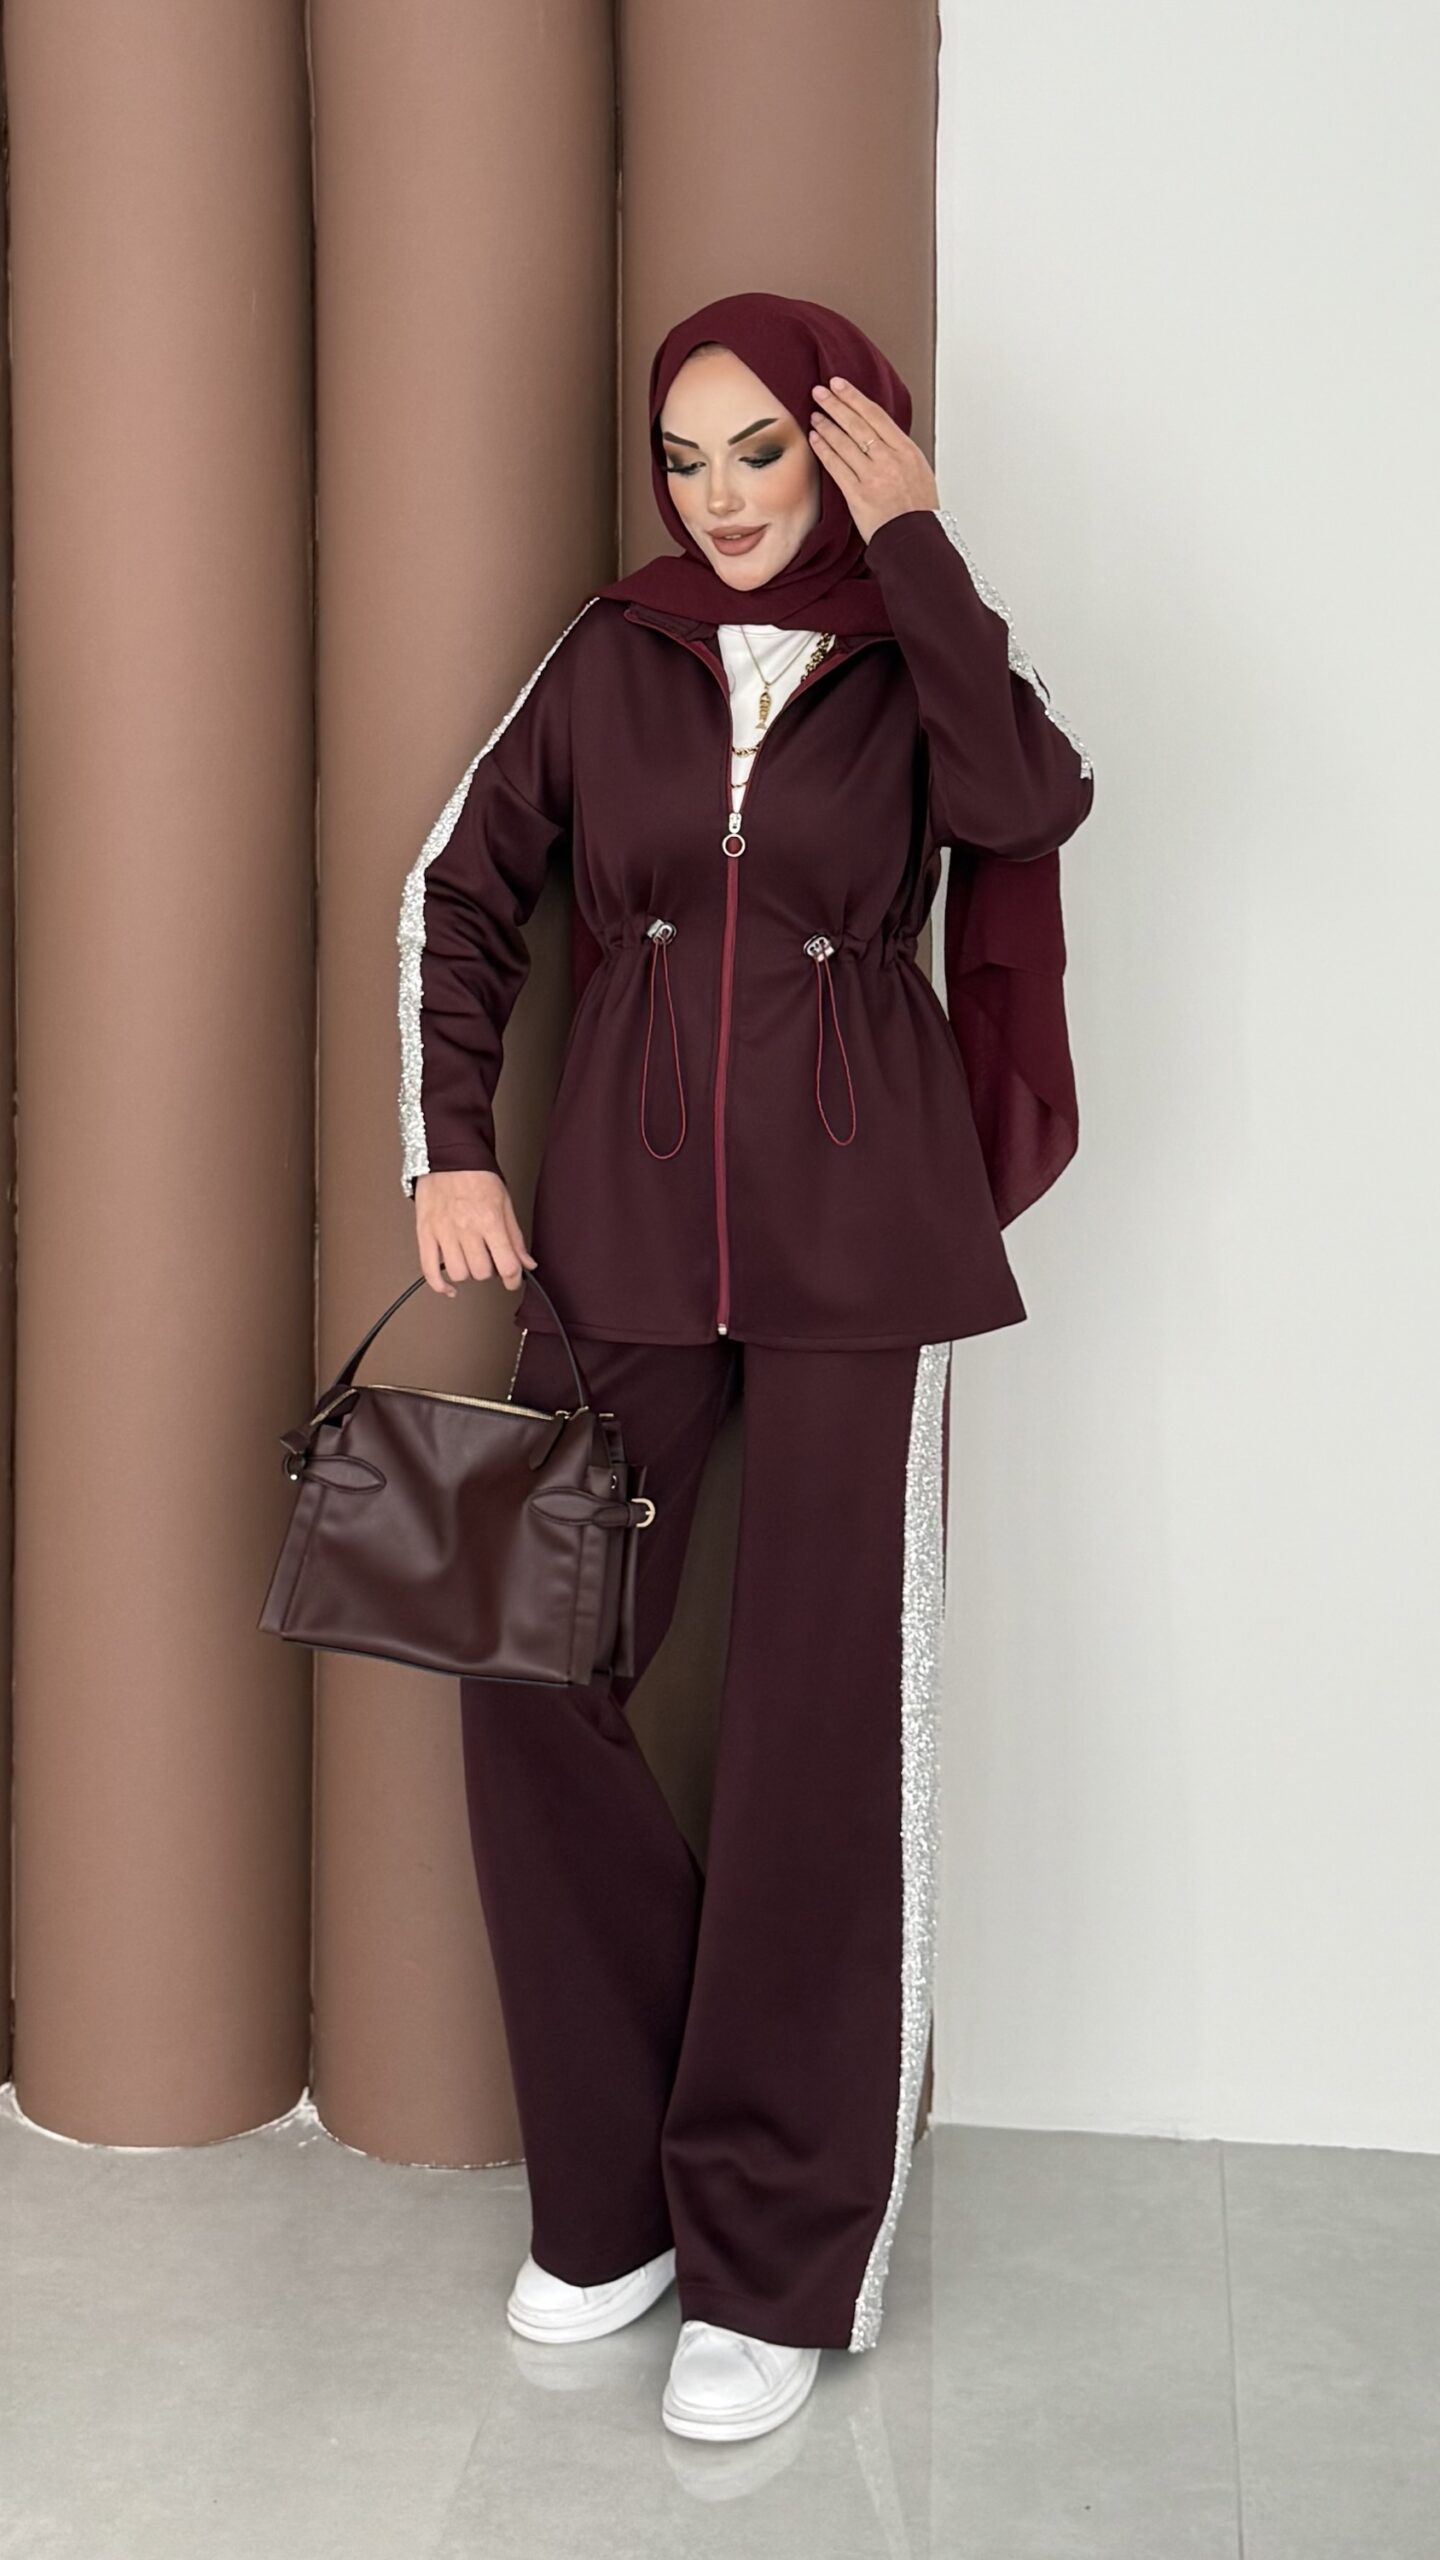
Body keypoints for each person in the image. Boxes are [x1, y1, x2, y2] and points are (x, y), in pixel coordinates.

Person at [395, 289, 1095, 2443]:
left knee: (816, 1734)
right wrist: (449, 1147)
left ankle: (776, 2249)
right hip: (612, 1235)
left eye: (762, 450)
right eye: (685, 457)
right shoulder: (609, 654)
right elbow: (457, 891)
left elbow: (1031, 804)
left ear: (846, 447)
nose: (718, 496)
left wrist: (927, 553)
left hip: (863, 1253)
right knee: (514, 1648)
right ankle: (619, 2194)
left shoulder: (920, 658)